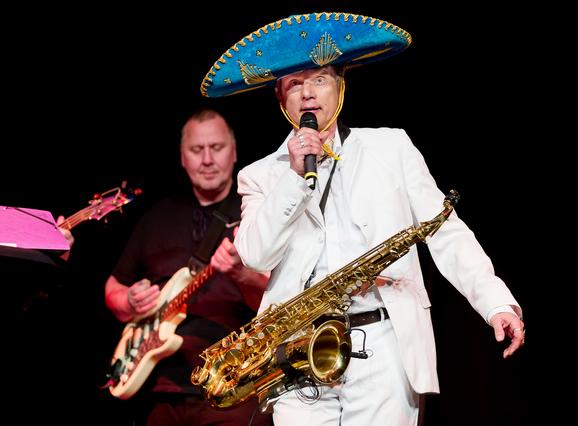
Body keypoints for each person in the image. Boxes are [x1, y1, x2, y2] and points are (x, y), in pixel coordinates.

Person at [199, 12, 525, 426]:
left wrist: (495, 302)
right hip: (297, 350)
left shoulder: (391, 147)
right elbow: (256, 256)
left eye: (319, 78)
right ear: (281, 99)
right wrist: (294, 179)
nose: (309, 93)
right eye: (294, 84)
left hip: (384, 343)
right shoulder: (260, 175)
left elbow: (446, 232)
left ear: (340, 86)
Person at [104, 108, 273, 426]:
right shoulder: (158, 216)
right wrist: (128, 301)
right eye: (197, 150)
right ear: (182, 157)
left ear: (234, 152)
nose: (207, 159)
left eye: (217, 148)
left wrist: (240, 274)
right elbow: (113, 287)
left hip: (237, 385)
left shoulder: (257, 212)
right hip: (161, 390)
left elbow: (276, 298)